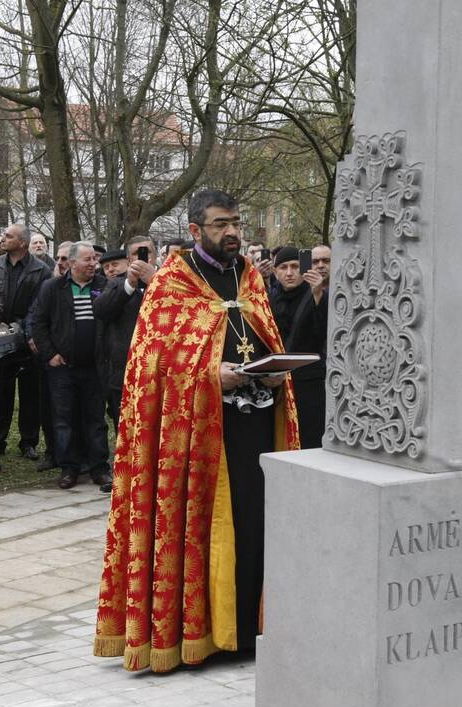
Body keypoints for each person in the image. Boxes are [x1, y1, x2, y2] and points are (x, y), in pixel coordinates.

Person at [94, 189, 300, 673]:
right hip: (194, 438)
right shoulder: (172, 282)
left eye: (236, 222)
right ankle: (198, 633)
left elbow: (262, 334)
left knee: (255, 523)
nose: (232, 232)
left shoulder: (248, 275)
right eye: (220, 224)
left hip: (254, 426)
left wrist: (274, 370)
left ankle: (249, 627)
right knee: (201, 527)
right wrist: (210, 373)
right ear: (194, 230)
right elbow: (150, 367)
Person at [31, 242, 111, 489]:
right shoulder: (53, 287)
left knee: (96, 419)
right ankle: (69, 468)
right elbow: (39, 323)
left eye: (94, 260)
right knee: (64, 419)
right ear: (73, 263)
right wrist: (50, 354)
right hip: (63, 367)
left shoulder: (103, 286)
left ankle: (99, 468)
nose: (93, 264)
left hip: (95, 367)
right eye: (87, 260)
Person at [0, 223, 51, 471]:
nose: (3, 238)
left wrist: (23, 330)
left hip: (28, 337)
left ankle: (28, 441)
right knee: (0, 390)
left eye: (8, 235)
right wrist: (1, 326)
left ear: (22, 242)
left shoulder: (41, 269)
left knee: (30, 392)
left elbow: (39, 305)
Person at [96, 237, 156, 442]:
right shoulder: (116, 285)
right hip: (124, 371)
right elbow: (102, 311)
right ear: (129, 260)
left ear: (155, 255)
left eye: (147, 252)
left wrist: (155, 282)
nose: (144, 257)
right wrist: (130, 285)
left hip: (160, 371)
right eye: (137, 253)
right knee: (127, 432)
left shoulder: (170, 282)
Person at [285, 245, 330, 449]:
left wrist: (318, 294)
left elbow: (321, 333)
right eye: (315, 262)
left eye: (326, 261)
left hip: (315, 377)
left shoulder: (317, 292)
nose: (320, 266)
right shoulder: (290, 294)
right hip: (290, 379)